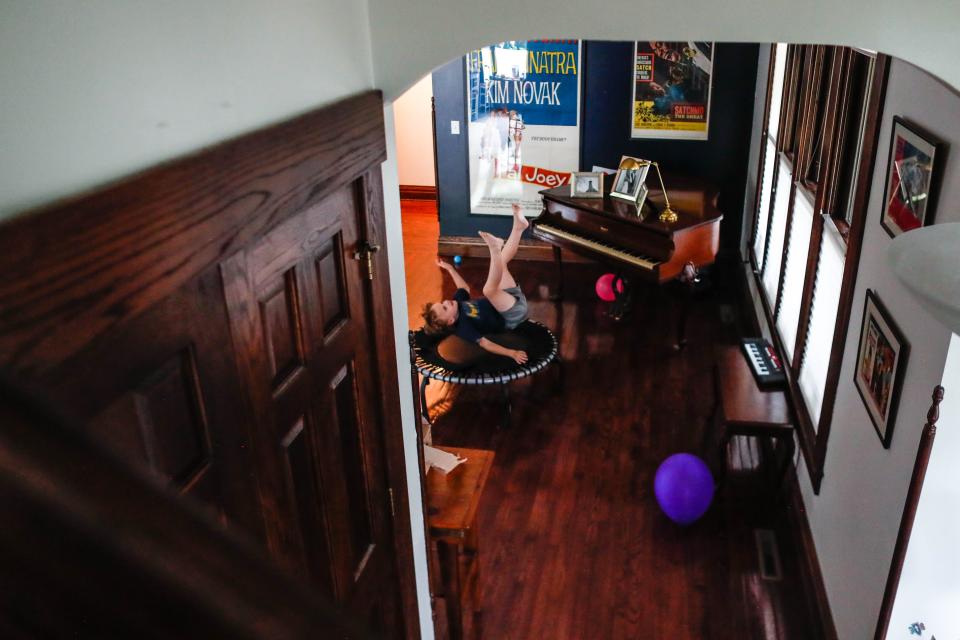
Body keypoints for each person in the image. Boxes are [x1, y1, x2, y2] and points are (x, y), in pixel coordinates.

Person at [421, 203, 530, 364]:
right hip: (511, 315)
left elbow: (463, 287)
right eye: (445, 307)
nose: (446, 302)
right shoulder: (463, 328)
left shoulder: (457, 302)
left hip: (509, 298)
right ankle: (494, 249)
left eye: (442, 303)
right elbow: (486, 344)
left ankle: (519, 228)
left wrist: (450, 268)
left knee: (502, 263)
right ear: (451, 321)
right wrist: (511, 353)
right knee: (488, 290)